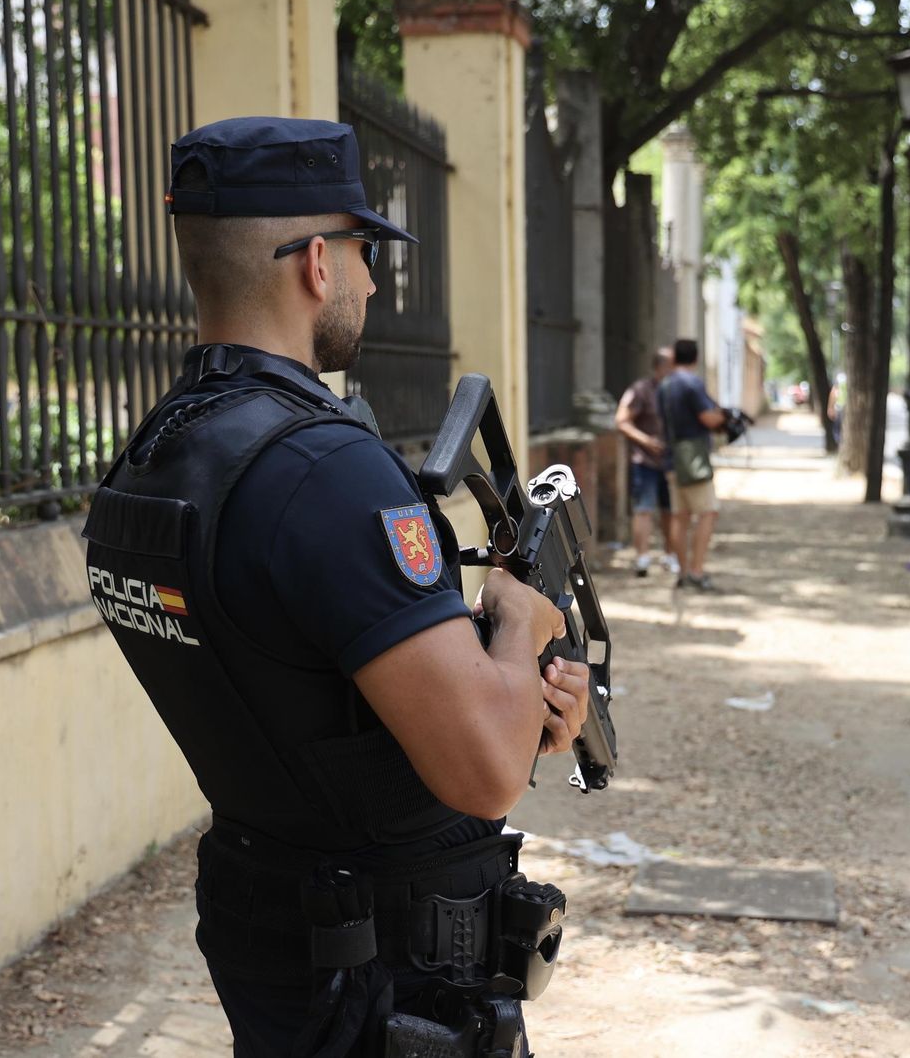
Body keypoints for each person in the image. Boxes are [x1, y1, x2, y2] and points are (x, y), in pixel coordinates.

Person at [81, 117, 589, 1056]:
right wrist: (517, 620)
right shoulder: (325, 471)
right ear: (317, 262)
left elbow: (297, 690)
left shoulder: (155, 459)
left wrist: (515, 701)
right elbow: (480, 775)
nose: (373, 278)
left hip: (277, 942)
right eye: (362, 251)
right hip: (392, 982)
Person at [658, 338, 729, 591]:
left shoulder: (664, 385)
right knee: (708, 512)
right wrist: (724, 417)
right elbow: (708, 419)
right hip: (694, 460)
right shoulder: (692, 383)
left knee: (679, 517)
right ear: (696, 358)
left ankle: (683, 571)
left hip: (671, 458)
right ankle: (696, 572)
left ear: (675, 357)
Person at [615, 347, 681, 576]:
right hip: (645, 461)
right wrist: (647, 441)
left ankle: (671, 556)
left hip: (673, 462)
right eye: (672, 366)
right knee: (643, 510)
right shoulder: (641, 390)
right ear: (660, 367)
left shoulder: (678, 390)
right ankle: (642, 558)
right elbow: (622, 421)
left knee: (671, 512)